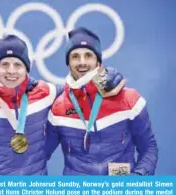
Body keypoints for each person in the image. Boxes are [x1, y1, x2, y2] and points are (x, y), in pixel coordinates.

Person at [0, 34, 125, 175]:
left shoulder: (45, 92)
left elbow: (78, 89)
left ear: (26, 69)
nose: (11, 71)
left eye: (18, 65)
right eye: (4, 65)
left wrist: (106, 76)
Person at [47, 27, 158, 175]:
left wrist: (138, 177)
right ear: (68, 63)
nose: (82, 62)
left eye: (88, 55)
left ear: (98, 61)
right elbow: (37, 156)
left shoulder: (129, 100)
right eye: (75, 56)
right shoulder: (59, 108)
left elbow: (149, 148)